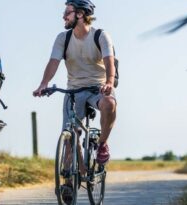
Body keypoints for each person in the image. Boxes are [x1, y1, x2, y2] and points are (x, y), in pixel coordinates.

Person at [33, 0, 117, 166]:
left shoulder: (100, 35)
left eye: (67, 12)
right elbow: (53, 62)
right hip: (74, 90)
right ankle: (68, 183)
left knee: (109, 104)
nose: (63, 16)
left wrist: (109, 82)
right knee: (69, 136)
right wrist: (43, 83)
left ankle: (102, 144)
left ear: (80, 14)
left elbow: (109, 62)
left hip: (98, 87)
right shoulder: (63, 38)